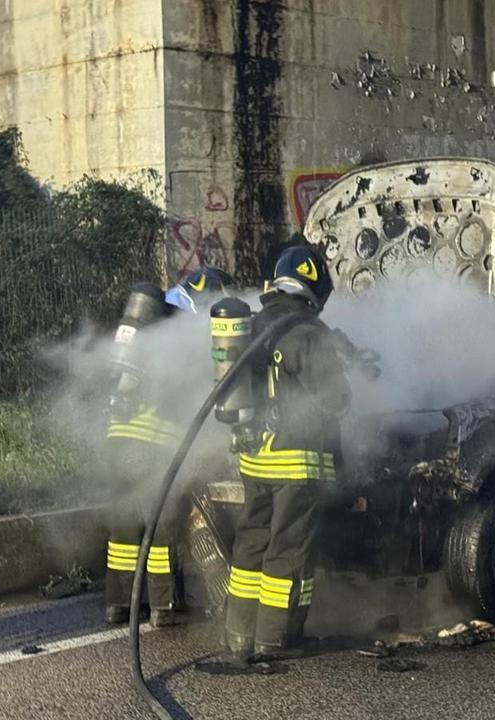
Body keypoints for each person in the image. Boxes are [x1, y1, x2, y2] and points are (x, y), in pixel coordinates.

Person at [222, 245, 351, 661]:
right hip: (297, 462)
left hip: (254, 458)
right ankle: (276, 638)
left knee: (251, 545)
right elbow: (335, 400)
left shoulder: (253, 326)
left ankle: (239, 635)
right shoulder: (310, 333)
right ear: (314, 290)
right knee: (288, 552)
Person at [103, 266, 234, 626]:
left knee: (123, 528)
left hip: (117, 439)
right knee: (160, 526)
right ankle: (164, 607)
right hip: (152, 445)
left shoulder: (148, 326)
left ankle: (119, 604)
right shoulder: (188, 335)